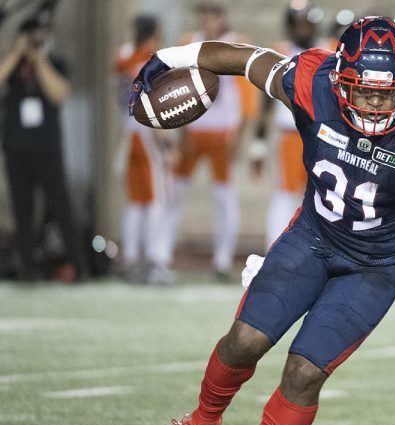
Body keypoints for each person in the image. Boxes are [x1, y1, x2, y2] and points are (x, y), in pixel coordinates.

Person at [130, 16, 395, 425]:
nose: (374, 106)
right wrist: (167, 57)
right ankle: (202, 422)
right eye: (364, 91)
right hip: (313, 236)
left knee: (303, 372)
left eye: (388, 95)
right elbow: (243, 58)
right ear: (340, 78)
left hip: (376, 264)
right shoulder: (312, 83)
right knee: (244, 342)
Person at [159, 1, 259, 281]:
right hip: (194, 129)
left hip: (222, 131)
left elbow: (247, 96)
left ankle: (222, 259)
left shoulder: (235, 44)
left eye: (211, 16)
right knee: (174, 193)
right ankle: (161, 254)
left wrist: (239, 133)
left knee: (224, 197)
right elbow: (177, 89)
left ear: (221, 18)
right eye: (202, 16)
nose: (206, 21)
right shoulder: (188, 43)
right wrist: (180, 130)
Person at [0, 16, 86, 281]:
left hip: (47, 148)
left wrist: (39, 60)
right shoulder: (12, 66)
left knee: (61, 207)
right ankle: (25, 267)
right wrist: (17, 54)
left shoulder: (55, 62)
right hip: (16, 148)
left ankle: (78, 268)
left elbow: (60, 93)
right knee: (22, 210)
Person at [255, 1, 325, 248]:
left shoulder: (330, 51)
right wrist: (258, 144)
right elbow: (265, 103)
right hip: (291, 136)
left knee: (325, 198)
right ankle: (272, 252)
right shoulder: (280, 53)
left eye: (307, 22)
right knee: (285, 195)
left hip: (325, 137)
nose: (303, 29)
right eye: (298, 24)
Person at [114, 14, 174, 284]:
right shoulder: (154, 59)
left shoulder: (123, 56)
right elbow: (157, 103)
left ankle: (130, 258)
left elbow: (120, 96)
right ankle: (155, 260)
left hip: (129, 133)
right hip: (148, 134)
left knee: (136, 202)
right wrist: (167, 142)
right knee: (156, 201)